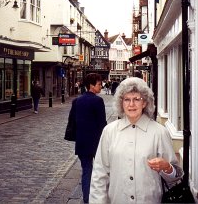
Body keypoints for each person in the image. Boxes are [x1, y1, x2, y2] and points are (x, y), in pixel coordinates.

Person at [89, 77, 183, 203]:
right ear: (121, 103)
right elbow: (99, 175)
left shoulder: (159, 132)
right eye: (127, 99)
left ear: (144, 102)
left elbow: (176, 176)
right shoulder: (109, 131)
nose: (131, 104)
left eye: (136, 99)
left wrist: (167, 167)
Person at [71, 73, 107, 203]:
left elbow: (72, 122)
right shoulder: (98, 101)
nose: (101, 86)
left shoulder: (77, 101)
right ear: (91, 86)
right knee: (100, 172)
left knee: (86, 171)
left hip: (82, 143)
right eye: (99, 84)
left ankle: (87, 200)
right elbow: (102, 124)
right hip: (96, 143)